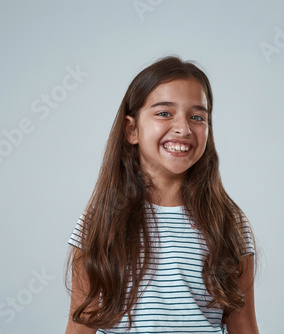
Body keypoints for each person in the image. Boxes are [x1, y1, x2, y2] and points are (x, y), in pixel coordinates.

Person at [64, 55, 260, 334]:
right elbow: (79, 327)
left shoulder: (227, 222)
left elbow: (244, 327)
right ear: (132, 129)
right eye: (164, 113)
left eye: (197, 117)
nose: (183, 128)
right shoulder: (100, 220)